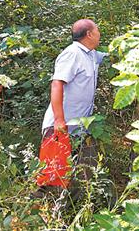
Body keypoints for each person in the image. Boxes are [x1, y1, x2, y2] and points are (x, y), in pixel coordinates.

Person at [40, 19, 107, 191]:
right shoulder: (72, 54)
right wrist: (59, 120)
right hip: (61, 127)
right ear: (89, 34)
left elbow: (111, 55)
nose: (100, 33)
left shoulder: (91, 54)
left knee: (85, 173)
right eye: (97, 30)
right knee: (53, 176)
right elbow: (57, 84)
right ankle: (42, 212)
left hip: (81, 127)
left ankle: (75, 211)